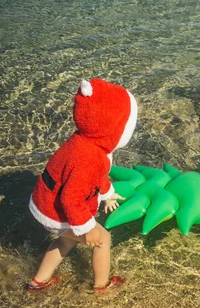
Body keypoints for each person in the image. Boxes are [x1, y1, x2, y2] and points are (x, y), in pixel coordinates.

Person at [27, 78, 138, 295]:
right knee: (102, 240)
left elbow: (93, 178)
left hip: (44, 201)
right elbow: (71, 198)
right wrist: (87, 229)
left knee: (66, 241)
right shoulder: (89, 158)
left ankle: (38, 282)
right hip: (57, 211)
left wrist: (107, 194)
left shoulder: (83, 141)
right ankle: (101, 287)